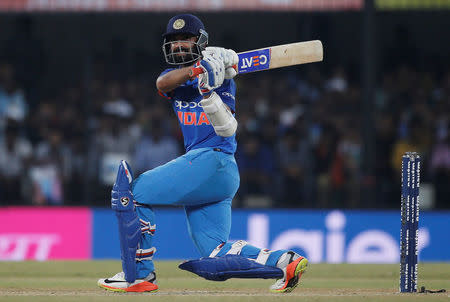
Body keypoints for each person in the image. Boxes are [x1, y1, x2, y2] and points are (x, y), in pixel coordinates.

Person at [97, 14, 308, 293]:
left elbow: (227, 128)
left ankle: (139, 275)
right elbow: (163, 84)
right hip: (212, 175)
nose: (179, 45)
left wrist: (213, 82)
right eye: (173, 41)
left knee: (133, 194)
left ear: (201, 41)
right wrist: (198, 70)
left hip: (214, 160)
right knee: (216, 251)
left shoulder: (223, 79)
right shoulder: (172, 78)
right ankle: (285, 261)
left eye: (186, 39)